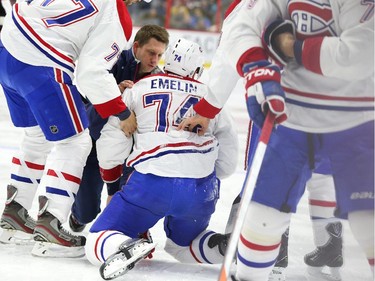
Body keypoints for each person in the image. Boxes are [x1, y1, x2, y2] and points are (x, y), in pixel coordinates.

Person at [179, 1, 374, 280]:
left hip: (352, 116)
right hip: (287, 107)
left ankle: (295, 248)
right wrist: (257, 67)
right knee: (276, 198)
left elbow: (359, 54)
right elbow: (242, 30)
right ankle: (317, 244)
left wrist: (290, 48)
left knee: (363, 213)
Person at [0, 0, 152, 257]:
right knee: (76, 141)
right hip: (41, 62)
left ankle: (14, 212)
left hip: (7, 49)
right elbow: (92, 73)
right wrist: (122, 112)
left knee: (37, 135)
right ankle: (52, 223)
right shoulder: (116, 14)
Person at [84, 38, 239, 280]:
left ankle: (123, 245)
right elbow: (229, 157)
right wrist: (205, 177)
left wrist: (113, 182)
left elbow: (112, 143)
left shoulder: (139, 87)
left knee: (99, 237)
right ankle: (220, 245)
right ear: (198, 70)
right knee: (183, 245)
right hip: (200, 188)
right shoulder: (210, 99)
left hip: (151, 184)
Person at [69, 24, 169, 233]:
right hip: (94, 145)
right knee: (86, 213)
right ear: (136, 46)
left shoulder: (158, 78)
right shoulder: (111, 62)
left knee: (127, 204)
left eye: (159, 54)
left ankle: (129, 229)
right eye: (151, 52)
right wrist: (114, 95)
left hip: (129, 154)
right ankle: (78, 216)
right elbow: (89, 111)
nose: (155, 60)